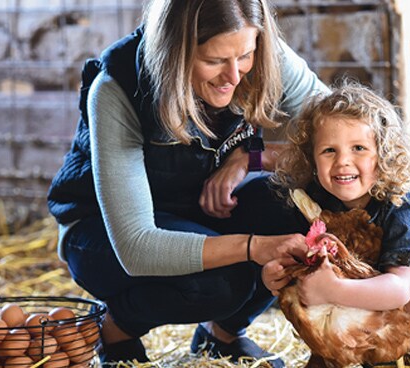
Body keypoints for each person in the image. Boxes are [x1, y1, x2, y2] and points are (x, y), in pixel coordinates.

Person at [46, 0, 330, 366]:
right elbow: (136, 246)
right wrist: (253, 246)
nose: (234, 75)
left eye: (245, 55)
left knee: (297, 209)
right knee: (223, 282)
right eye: (214, 61)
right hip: (105, 236)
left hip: (195, 211)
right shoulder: (117, 89)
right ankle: (116, 331)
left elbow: (338, 132)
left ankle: (222, 336)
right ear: (174, 54)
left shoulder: (258, 52)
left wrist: (250, 158)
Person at [261, 82, 410, 367]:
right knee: (316, 275)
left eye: (359, 148)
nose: (343, 161)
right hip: (371, 314)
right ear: (311, 157)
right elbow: (304, 267)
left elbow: (400, 289)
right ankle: (331, 355)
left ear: (384, 155)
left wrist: (331, 290)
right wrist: (275, 277)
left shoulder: (397, 209)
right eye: (329, 150)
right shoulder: (313, 203)